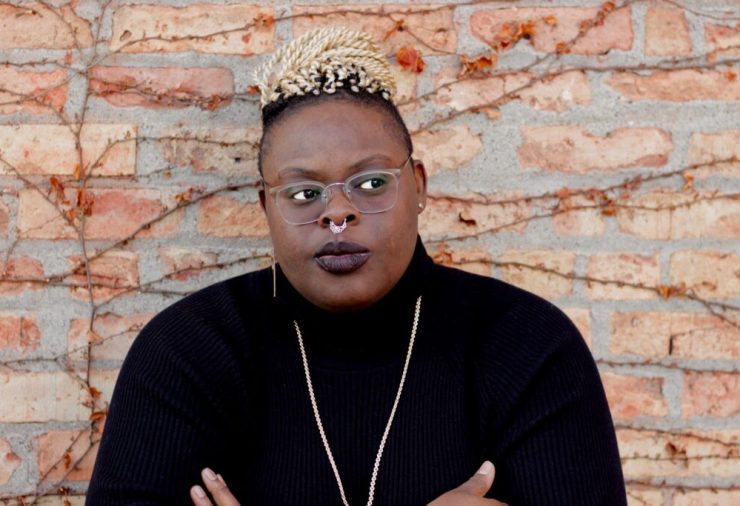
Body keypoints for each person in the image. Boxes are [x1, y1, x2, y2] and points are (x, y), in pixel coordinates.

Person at [86, 27, 627, 505]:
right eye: (303, 192)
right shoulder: (188, 354)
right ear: (266, 208)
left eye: (371, 183)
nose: (338, 214)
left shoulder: (527, 347)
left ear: (417, 186)